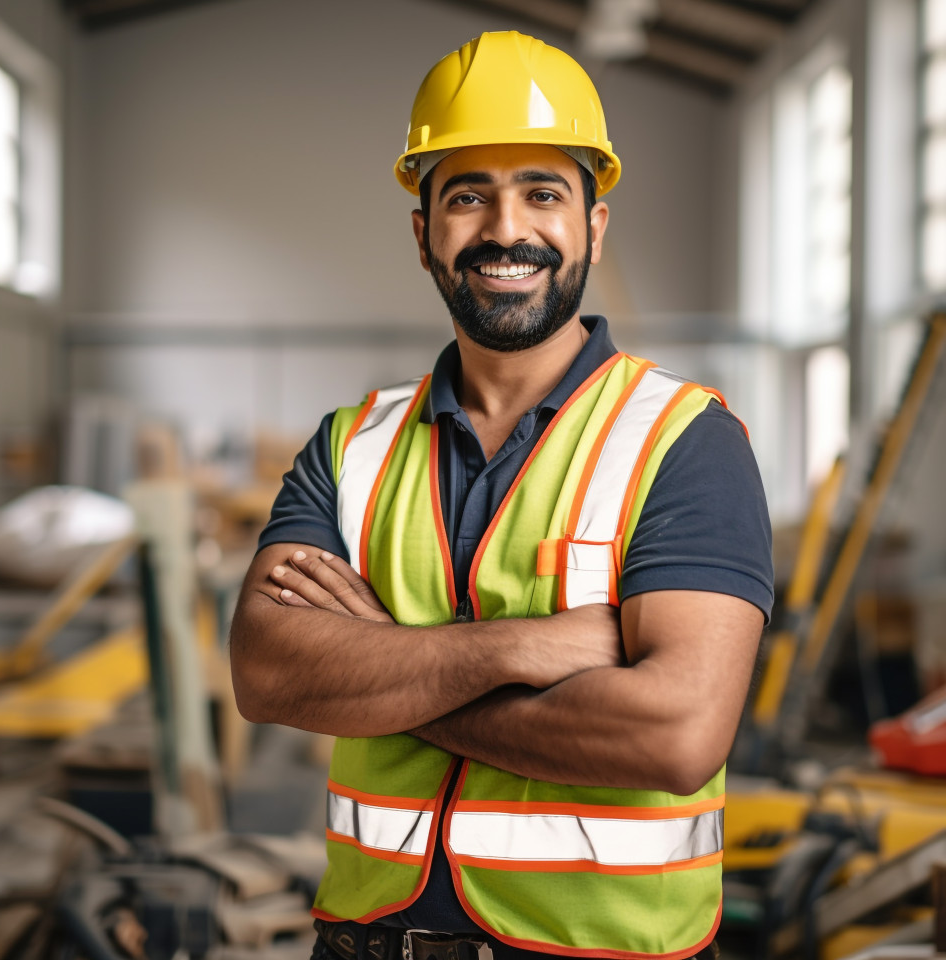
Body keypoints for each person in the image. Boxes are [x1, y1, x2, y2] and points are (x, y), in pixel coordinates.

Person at [230, 30, 773, 960]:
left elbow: (677, 736)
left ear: (594, 226)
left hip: (601, 949)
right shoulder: (350, 445)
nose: (506, 229)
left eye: (543, 193)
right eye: (468, 194)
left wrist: (377, 674)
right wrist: (527, 647)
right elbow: (269, 674)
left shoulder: (684, 441)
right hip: (363, 944)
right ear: (423, 231)